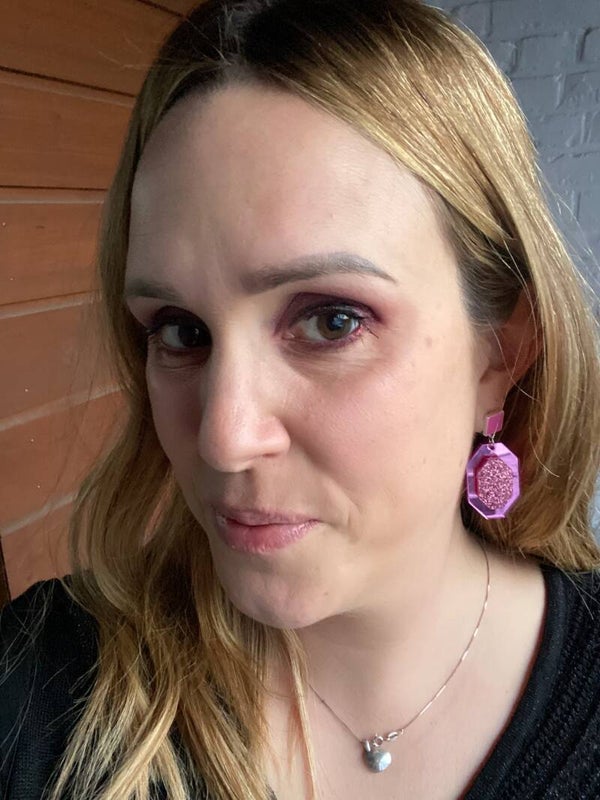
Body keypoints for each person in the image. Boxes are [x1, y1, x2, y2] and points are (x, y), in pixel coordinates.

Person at [1, 1, 600, 798]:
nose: (223, 438)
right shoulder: (38, 683)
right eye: (180, 330)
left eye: (332, 320)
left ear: (501, 353)